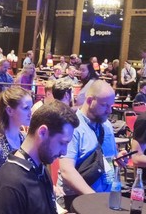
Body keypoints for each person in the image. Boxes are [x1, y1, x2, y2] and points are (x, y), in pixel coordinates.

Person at [0, 101, 79, 214]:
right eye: (62, 143)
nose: (64, 152)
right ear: (42, 132)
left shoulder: (40, 169)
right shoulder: (9, 186)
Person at [57, 81, 126, 210]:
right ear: (89, 101)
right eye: (105, 105)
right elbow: (67, 171)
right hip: (79, 200)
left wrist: (117, 160)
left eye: (111, 106)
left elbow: (109, 160)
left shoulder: (106, 125)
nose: (109, 111)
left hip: (107, 197)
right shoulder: (73, 127)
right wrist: (94, 198)